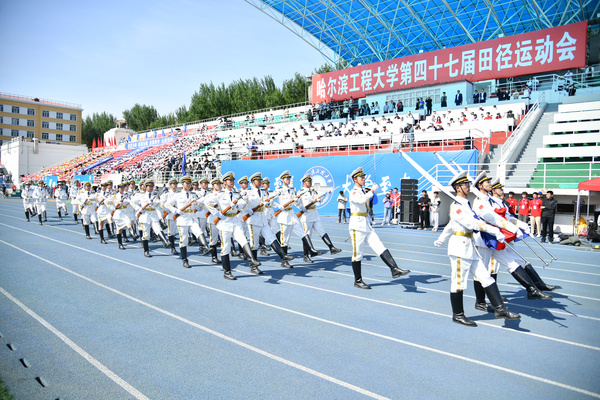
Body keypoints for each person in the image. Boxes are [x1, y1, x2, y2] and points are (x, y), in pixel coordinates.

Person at [434, 172, 520, 326]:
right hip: (460, 248)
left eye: (468, 183)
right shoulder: (457, 206)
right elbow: (472, 224)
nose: (468, 186)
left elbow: (451, 224)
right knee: (458, 282)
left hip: (469, 246)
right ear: (458, 188)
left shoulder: (466, 203)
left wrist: (441, 238)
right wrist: (495, 231)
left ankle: (501, 309)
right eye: (465, 184)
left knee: (486, 277)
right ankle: (458, 314)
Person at [348, 167, 410, 289]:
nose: (364, 179)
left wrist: (370, 192)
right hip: (357, 226)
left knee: (379, 246)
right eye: (361, 177)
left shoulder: (362, 191)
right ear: (355, 180)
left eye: (364, 177)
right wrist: (372, 191)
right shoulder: (354, 192)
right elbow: (360, 201)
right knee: (357, 254)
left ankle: (394, 268)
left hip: (366, 224)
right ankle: (358, 280)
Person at [205, 171, 262, 280]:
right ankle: (227, 272)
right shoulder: (219, 194)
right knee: (225, 247)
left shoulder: (236, 194)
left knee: (243, 240)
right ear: (224, 182)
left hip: (235, 220)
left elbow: (241, 206)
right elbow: (208, 203)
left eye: (232, 180)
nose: (232, 182)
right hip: (225, 222)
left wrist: (239, 204)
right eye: (230, 180)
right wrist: (217, 214)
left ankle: (252, 260)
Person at [241, 172, 295, 269]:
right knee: (254, 244)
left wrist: (273, 205)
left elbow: (269, 201)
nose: (260, 182)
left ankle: (283, 256)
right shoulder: (247, 192)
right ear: (253, 181)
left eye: (261, 180)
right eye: (258, 180)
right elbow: (241, 204)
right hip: (254, 221)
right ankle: (253, 266)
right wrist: (247, 210)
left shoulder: (263, 191)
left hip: (263, 219)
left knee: (271, 238)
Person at [271, 170, 322, 263]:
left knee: (303, 233)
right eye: (286, 178)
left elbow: (296, 202)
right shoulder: (279, 190)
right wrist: (278, 206)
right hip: (284, 216)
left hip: (292, 215)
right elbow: (269, 199)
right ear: (282, 180)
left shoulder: (292, 190)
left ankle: (312, 250)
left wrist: (300, 205)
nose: (288, 179)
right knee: (284, 240)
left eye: (289, 178)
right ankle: (284, 261)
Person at [298, 174, 342, 258]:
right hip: (307, 215)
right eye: (308, 181)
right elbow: (297, 202)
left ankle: (331, 248)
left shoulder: (313, 190)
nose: (310, 182)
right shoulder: (301, 192)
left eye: (311, 181)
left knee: (322, 231)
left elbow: (318, 199)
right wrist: (301, 207)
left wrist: (319, 199)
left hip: (315, 214)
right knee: (307, 235)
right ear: (304, 182)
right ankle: (306, 256)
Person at [166, 176, 206, 268]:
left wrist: (197, 205)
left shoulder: (193, 195)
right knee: (184, 240)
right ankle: (185, 260)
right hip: (182, 218)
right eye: (186, 183)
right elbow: (167, 204)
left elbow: (199, 205)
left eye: (189, 183)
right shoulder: (177, 195)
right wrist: (175, 210)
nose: (188, 185)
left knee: (199, 231)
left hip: (192, 217)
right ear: (183, 184)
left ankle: (205, 247)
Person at [132, 180, 169, 257]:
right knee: (146, 234)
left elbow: (158, 203)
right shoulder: (141, 195)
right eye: (149, 186)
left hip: (153, 215)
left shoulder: (155, 195)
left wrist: (154, 203)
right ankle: (146, 251)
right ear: (145, 187)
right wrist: (139, 208)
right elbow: (132, 202)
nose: (151, 188)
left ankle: (165, 241)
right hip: (145, 216)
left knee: (158, 229)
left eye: (152, 186)